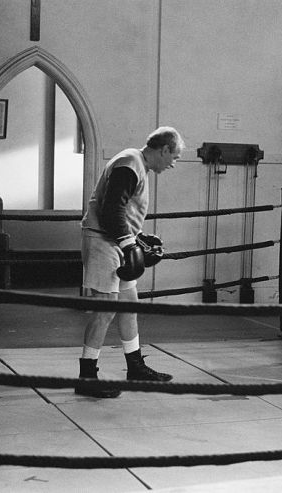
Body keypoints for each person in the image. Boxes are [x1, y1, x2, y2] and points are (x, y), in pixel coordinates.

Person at [76, 127, 185, 398]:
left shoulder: (137, 164)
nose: (173, 164)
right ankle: (87, 376)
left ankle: (135, 366)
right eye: (174, 157)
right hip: (103, 240)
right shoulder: (129, 163)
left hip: (115, 240)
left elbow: (122, 209)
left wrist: (137, 237)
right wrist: (129, 244)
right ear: (164, 150)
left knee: (129, 306)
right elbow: (111, 209)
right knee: (105, 309)